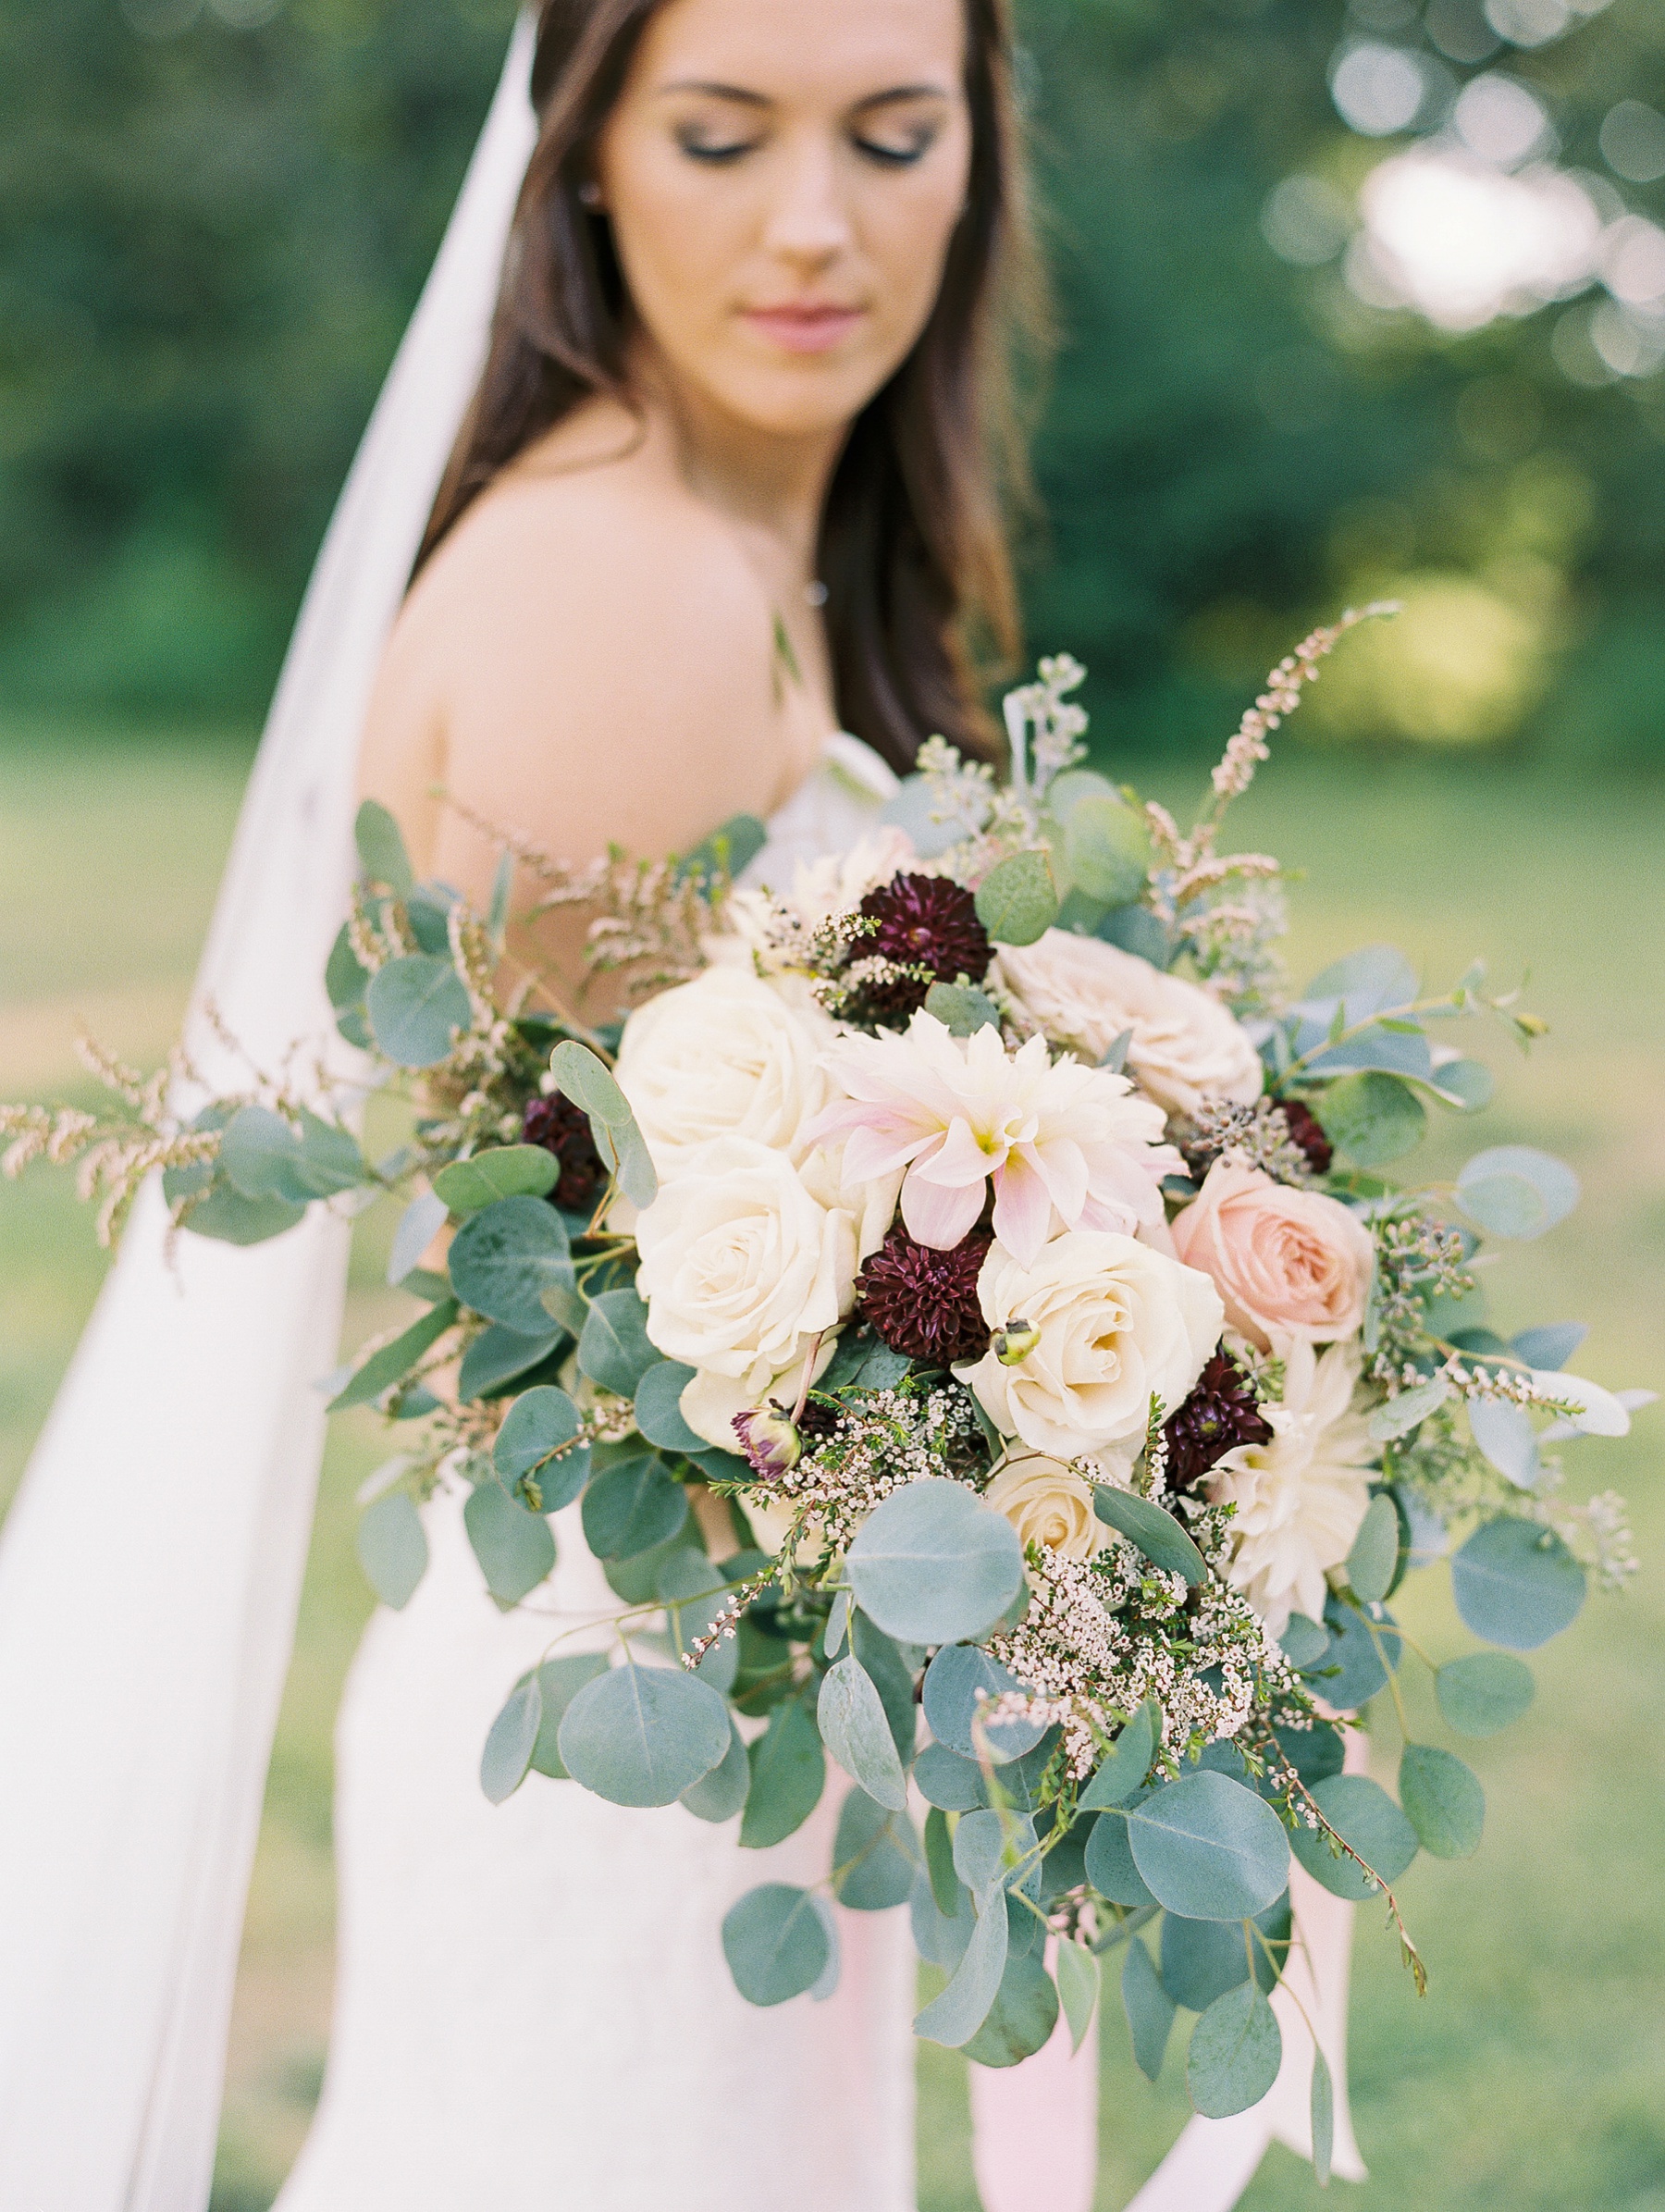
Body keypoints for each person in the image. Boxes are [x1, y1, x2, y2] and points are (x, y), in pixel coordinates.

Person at [274, 2, 1044, 2206]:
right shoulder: (615, 591)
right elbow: (597, 1321)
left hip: (741, 1713)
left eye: (897, 135)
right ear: (586, 154)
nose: (820, 225)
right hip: (645, 1731)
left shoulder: (734, 547)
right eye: (723, 136)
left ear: (980, 153)